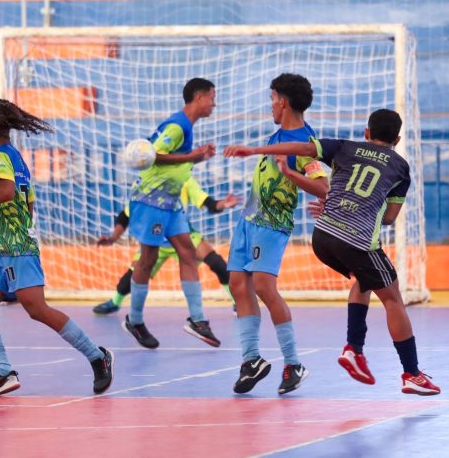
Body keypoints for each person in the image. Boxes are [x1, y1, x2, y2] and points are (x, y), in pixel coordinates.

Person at [224, 108, 440, 396]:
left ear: (366, 133)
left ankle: (354, 350)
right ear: (397, 139)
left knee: (363, 279)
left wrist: (254, 150)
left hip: (322, 237)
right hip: (356, 239)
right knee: (393, 298)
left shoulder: (344, 147)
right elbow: (389, 217)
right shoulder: (400, 168)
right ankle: (411, 374)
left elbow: (301, 147)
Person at [0, 98, 114, 396]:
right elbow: (27, 204)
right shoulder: (15, 157)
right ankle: (2, 371)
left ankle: (98, 357)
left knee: (38, 309)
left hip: (17, 250)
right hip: (1, 249)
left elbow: (7, 192)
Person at [225, 73, 329, 395]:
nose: (270, 105)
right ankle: (251, 360)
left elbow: (322, 186)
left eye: (271, 99)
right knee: (238, 284)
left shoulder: (305, 144)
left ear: (282, 101)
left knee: (264, 289)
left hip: (271, 224)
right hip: (248, 219)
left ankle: (293, 362)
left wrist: (290, 174)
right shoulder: (279, 135)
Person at [124, 78, 218, 350]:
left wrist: (197, 156)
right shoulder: (177, 126)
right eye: (212, 97)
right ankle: (136, 320)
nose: (214, 103)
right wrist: (192, 156)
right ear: (199, 97)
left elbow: (173, 158)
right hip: (151, 200)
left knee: (188, 253)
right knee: (148, 259)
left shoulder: (185, 126)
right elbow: (152, 155)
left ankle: (198, 319)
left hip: (170, 201)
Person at [93, 175, 240, 332]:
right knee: (128, 280)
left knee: (217, 263)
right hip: (155, 239)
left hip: (182, 235)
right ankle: (116, 302)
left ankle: (236, 301)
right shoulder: (146, 183)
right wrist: (113, 237)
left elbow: (207, 202)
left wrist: (222, 204)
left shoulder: (185, 179)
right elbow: (126, 215)